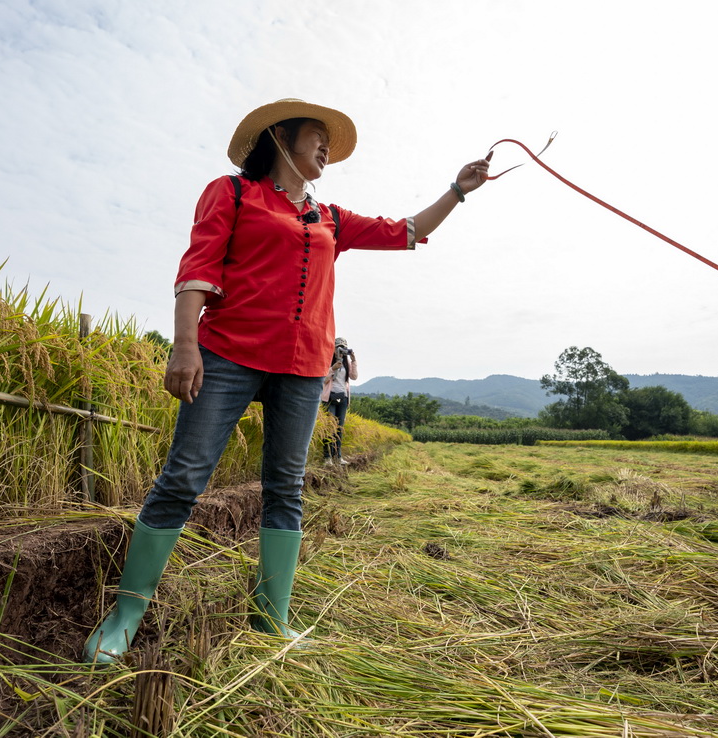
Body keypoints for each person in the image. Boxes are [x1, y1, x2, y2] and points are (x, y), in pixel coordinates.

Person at [84, 98, 490, 662]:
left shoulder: (332, 220)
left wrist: (459, 188)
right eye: (316, 136)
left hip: (303, 368)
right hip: (227, 354)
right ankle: (126, 614)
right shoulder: (231, 193)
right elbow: (198, 268)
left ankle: (271, 617)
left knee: (286, 489)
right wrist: (184, 345)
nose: (326, 147)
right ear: (280, 138)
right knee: (184, 477)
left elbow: (409, 231)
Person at [321, 337, 357, 465]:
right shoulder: (328, 361)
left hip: (343, 397)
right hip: (329, 397)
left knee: (339, 428)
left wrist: (353, 360)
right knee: (329, 428)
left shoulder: (346, 363)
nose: (341, 351)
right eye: (339, 348)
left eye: (343, 348)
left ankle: (338, 457)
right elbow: (322, 381)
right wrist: (333, 369)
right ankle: (327, 457)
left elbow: (354, 377)